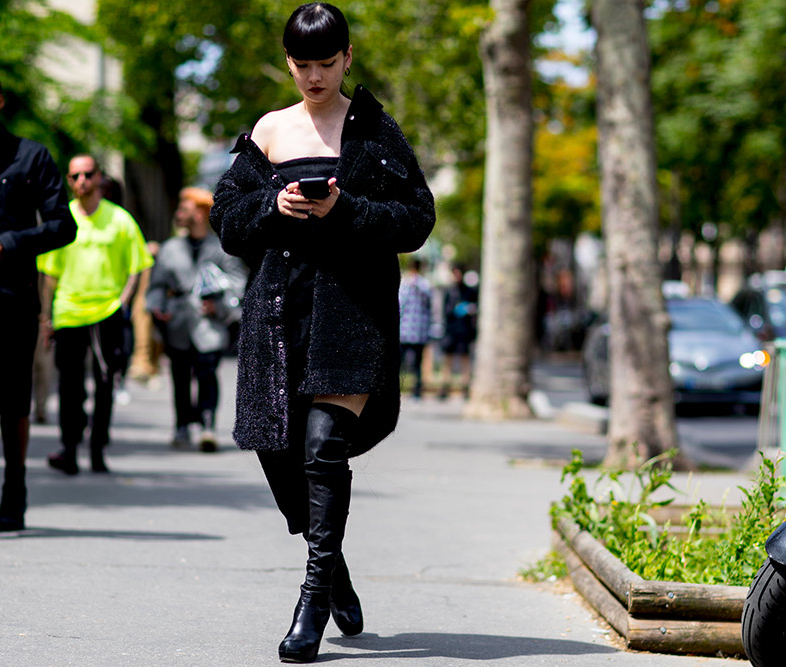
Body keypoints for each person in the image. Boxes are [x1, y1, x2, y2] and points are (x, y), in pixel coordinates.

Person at [210, 3, 434, 662]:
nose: (313, 76)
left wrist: (346, 209)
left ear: (348, 58)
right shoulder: (270, 130)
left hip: (353, 312)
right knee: (278, 453)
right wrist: (271, 207)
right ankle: (333, 567)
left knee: (321, 450)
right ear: (289, 63)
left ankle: (311, 598)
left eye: (325, 63)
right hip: (278, 313)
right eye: (302, 64)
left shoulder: (374, 131)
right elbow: (228, 221)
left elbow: (416, 218)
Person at [0, 73, 77, 531]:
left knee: (12, 401)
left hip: (12, 299)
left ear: (0, 101)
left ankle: (14, 489)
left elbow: (64, 226)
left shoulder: (32, 156)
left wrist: (8, 242)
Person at [37, 154, 154, 475]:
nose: (81, 182)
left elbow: (137, 266)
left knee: (105, 384)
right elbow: (50, 274)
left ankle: (98, 448)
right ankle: (70, 449)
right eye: (74, 176)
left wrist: (123, 302)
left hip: (107, 313)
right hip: (69, 313)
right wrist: (45, 316)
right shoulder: (63, 220)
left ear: (99, 177)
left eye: (87, 174)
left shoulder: (120, 220)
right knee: (70, 388)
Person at [147, 187, 247, 452]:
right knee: (179, 376)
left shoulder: (222, 248)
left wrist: (221, 306)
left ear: (201, 213)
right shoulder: (170, 248)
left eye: (186, 206)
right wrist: (158, 307)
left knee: (206, 373)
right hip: (177, 322)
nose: (180, 210)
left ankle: (206, 424)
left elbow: (238, 283)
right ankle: (181, 424)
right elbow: (156, 285)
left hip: (209, 324)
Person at [439, 264, 478, 399]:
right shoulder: (449, 291)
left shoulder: (469, 291)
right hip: (451, 330)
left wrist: (468, 310)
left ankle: (465, 386)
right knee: (448, 359)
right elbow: (445, 311)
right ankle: (444, 386)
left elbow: (475, 309)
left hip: (464, 331)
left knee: (464, 359)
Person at [398, 258, 432, 399]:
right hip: (420, 330)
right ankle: (417, 390)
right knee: (418, 362)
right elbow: (430, 304)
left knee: (400, 361)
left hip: (405, 329)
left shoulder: (405, 283)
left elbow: (401, 304)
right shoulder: (426, 285)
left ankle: (398, 388)